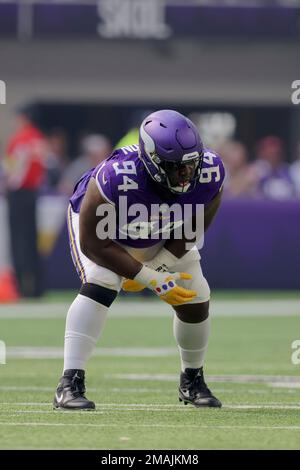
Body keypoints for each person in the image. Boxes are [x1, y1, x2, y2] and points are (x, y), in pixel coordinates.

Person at [53, 110, 225, 410]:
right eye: (175, 168)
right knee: (103, 281)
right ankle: (69, 382)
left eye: (190, 166)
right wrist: (147, 277)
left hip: (162, 227)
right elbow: (94, 243)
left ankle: (192, 379)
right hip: (109, 230)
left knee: (197, 293)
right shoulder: (115, 177)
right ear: (151, 161)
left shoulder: (211, 171)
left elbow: (194, 226)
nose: (185, 176)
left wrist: (159, 267)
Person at [4, 104, 48, 297]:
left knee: (18, 241)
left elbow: (13, 171)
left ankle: (21, 288)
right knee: (31, 240)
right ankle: (37, 287)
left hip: (19, 193)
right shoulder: (39, 139)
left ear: (23, 118)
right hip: (33, 193)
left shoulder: (20, 139)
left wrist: (8, 184)